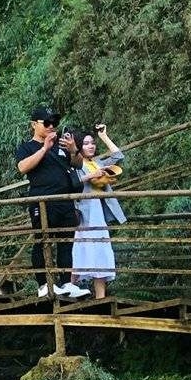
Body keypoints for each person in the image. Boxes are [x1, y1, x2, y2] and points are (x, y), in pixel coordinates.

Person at [16, 106, 90, 299]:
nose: (51, 126)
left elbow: (79, 164)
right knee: (43, 242)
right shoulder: (27, 147)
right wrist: (45, 148)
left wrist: (74, 150)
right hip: (42, 202)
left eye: (54, 123)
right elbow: (23, 167)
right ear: (34, 125)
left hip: (65, 201)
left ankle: (67, 282)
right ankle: (44, 285)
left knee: (66, 242)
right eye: (46, 123)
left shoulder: (62, 145)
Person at [71, 125, 125, 299]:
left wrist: (104, 136)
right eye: (86, 143)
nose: (91, 146)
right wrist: (90, 177)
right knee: (80, 249)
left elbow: (118, 156)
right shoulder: (76, 164)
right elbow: (71, 182)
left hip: (98, 212)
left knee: (101, 250)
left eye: (92, 143)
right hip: (82, 213)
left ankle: (100, 297)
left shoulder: (98, 163)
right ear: (78, 146)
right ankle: (70, 288)